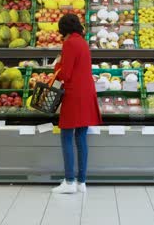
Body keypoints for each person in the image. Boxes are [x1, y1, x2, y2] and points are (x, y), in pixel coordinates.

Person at [51, 14, 102, 194]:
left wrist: (56, 65)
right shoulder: (82, 42)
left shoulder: (69, 43)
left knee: (66, 135)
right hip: (87, 93)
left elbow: (66, 74)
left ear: (63, 30)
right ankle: (81, 182)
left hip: (74, 95)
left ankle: (69, 181)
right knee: (81, 137)